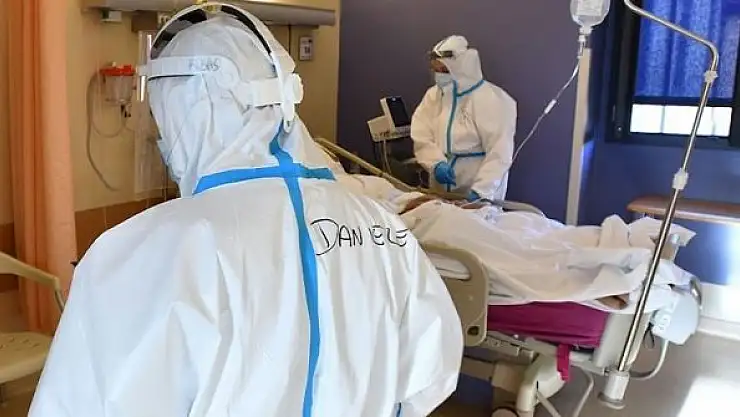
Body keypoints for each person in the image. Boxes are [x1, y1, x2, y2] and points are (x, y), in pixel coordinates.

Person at [29, 5, 462, 417]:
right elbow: (430, 373)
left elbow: (80, 402)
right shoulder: (382, 228)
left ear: (189, 109)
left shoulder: (144, 253)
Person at [411, 35, 517, 202]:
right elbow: (421, 134)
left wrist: (481, 191)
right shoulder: (434, 96)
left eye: (444, 70)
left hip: (476, 186)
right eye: (435, 70)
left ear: (462, 68)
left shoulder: (492, 99)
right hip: (440, 188)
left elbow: (500, 152)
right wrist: (435, 163)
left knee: (475, 218)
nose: (439, 75)